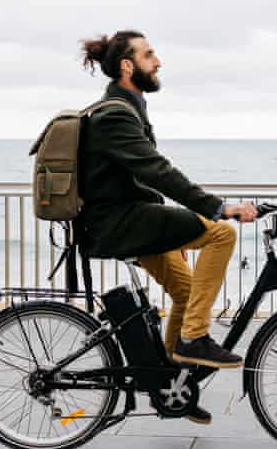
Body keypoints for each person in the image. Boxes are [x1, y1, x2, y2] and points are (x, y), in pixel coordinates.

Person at [77, 30, 257, 424]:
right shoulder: (115, 114)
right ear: (128, 66)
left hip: (133, 219)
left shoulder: (129, 108)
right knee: (221, 232)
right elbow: (156, 171)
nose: (157, 62)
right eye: (149, 55)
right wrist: (218, 207)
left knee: (187, 291)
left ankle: (170, 387)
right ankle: (193, 338)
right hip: (121, 224)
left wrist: (172, 231)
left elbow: (139, 178)